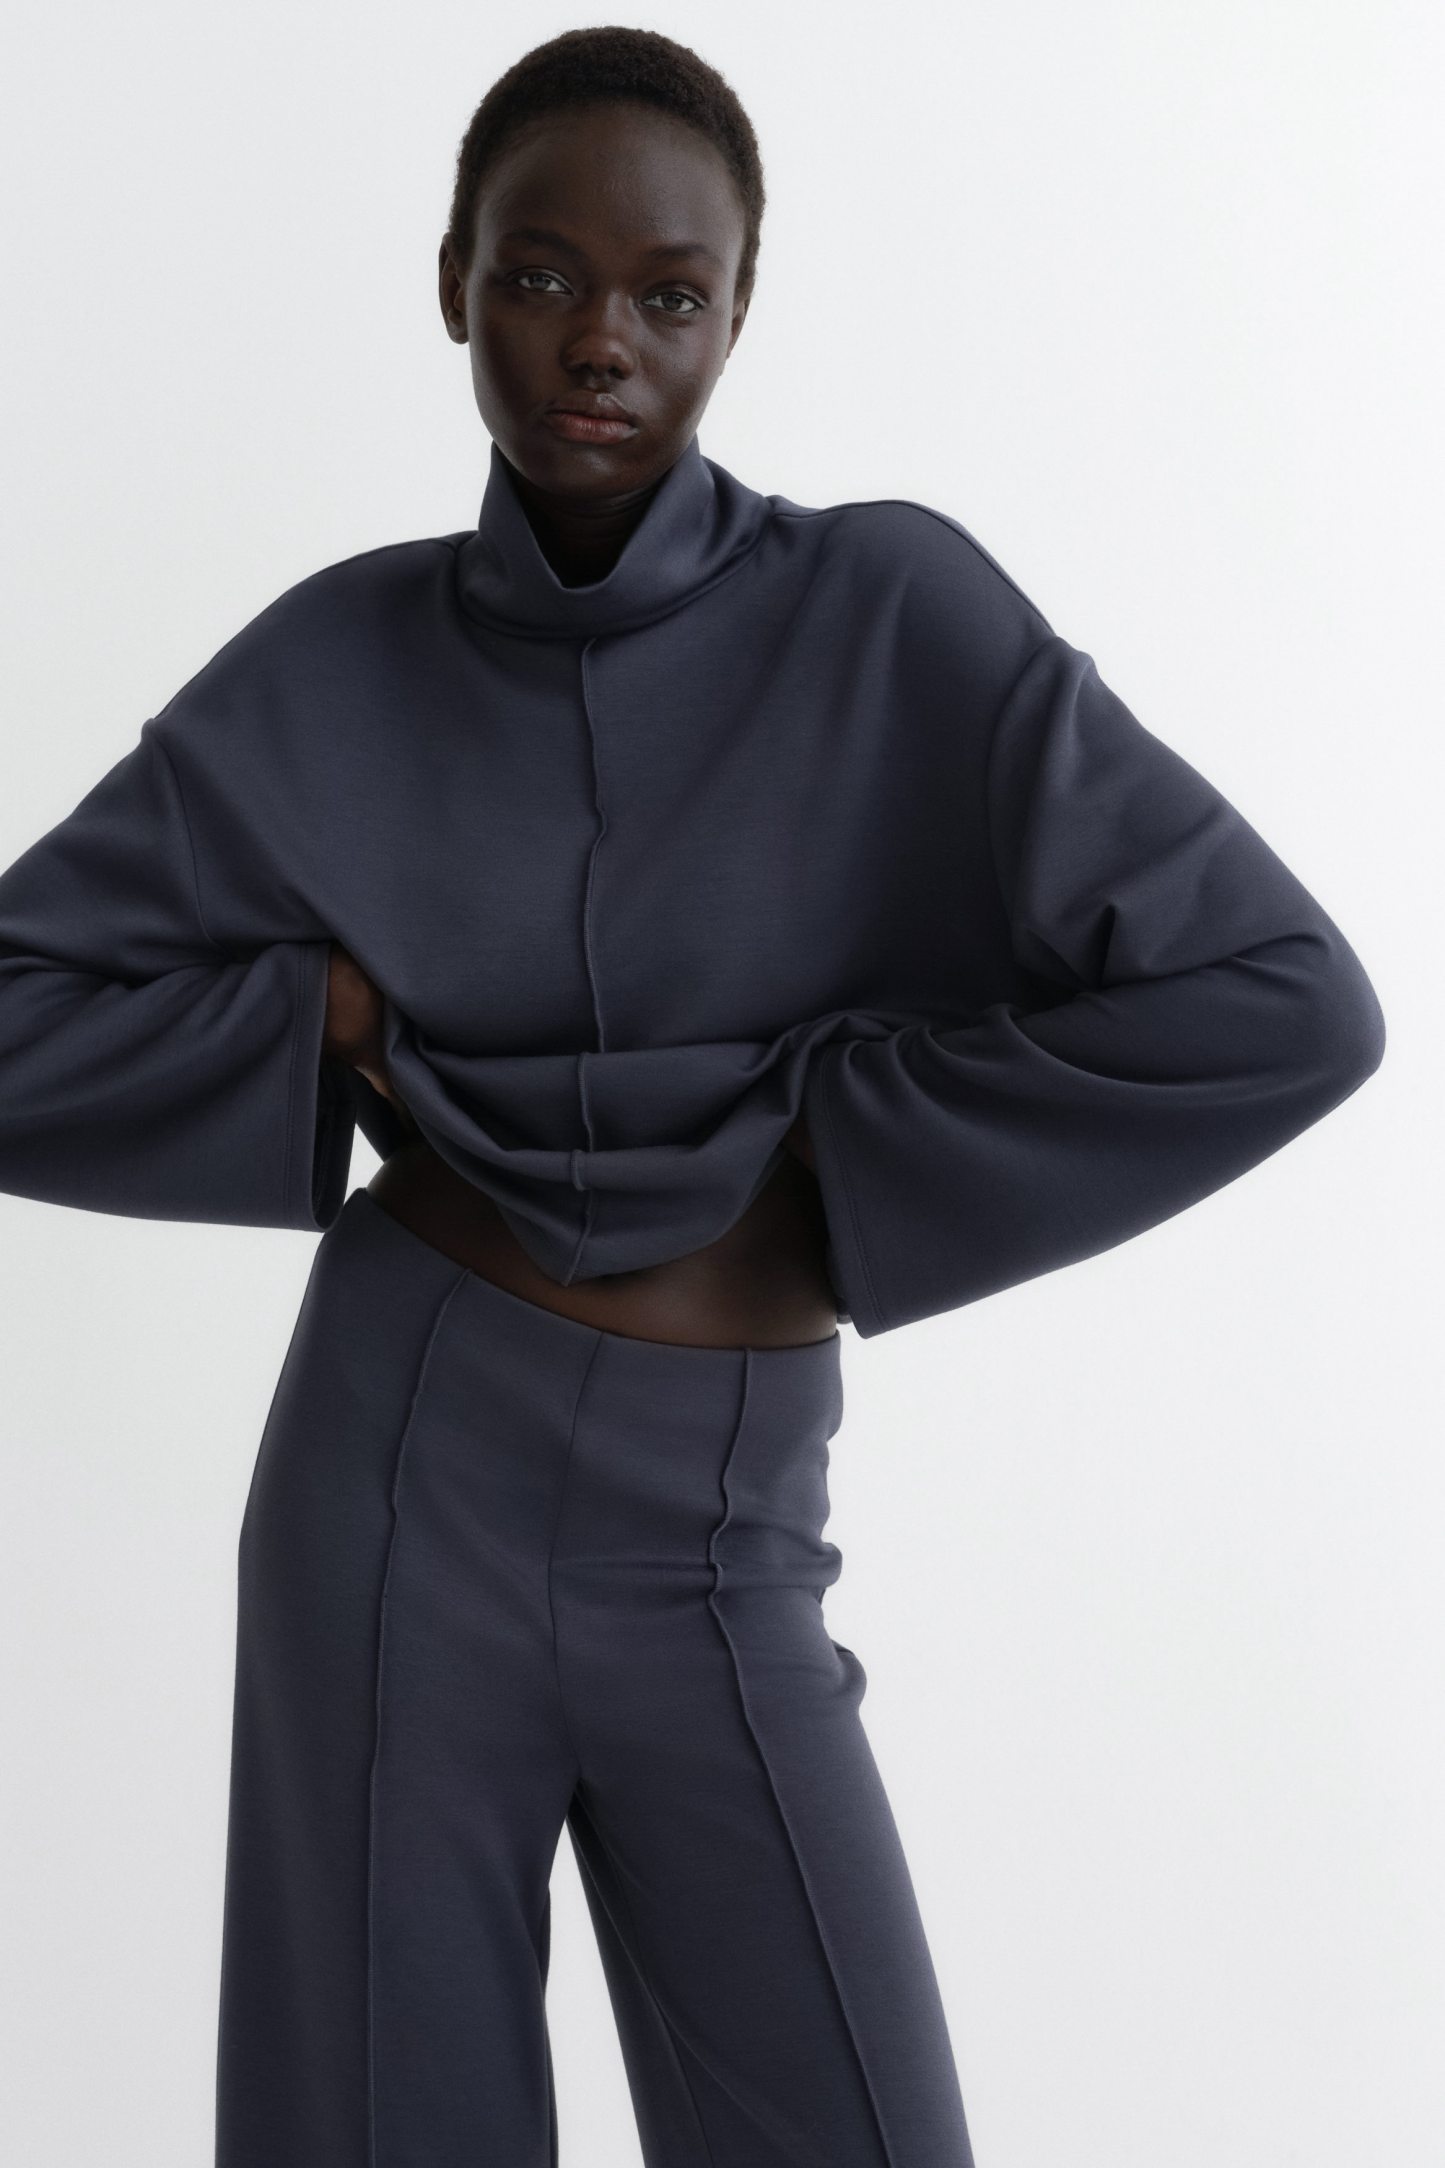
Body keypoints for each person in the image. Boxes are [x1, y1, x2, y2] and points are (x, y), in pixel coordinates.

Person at [0, 26, 1385, 2168]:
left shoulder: (895, 613)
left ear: (741, 310)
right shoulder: (330, 664)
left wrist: (851, 1128)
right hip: (404, 1471)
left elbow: (1287, 1003)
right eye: (540, 275)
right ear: (452, 283)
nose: (599, 342)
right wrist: (310, 1025)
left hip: (727, 1523)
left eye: (667, 292)